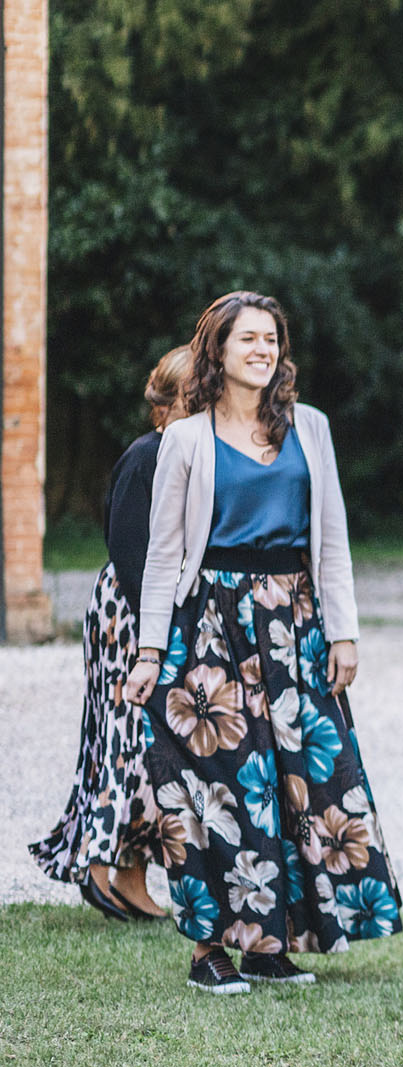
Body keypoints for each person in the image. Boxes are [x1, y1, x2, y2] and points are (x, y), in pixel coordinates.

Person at [125, 292, 401, 994]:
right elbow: (162, 555)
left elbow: (331, 538)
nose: (262, 349)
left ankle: (271, 945)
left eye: (271, 338)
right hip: (210, 624)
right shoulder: (186, 439)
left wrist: (343, 631)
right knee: (217, 788)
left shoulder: (310, 428)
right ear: (216, 350)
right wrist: (149, 651)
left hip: (293, 624)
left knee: (297, 781)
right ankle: (208, 950)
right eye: (247, 338)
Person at [31, 346, 193, 921]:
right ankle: (100, 866)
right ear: (166, 405)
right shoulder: (146, 457)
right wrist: (162, 622)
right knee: (122, 735)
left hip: (155, 611)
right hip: (129, 613)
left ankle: (131, 873)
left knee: (150, 744)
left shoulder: (189, 455)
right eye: (192, 400)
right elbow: (130, 551)